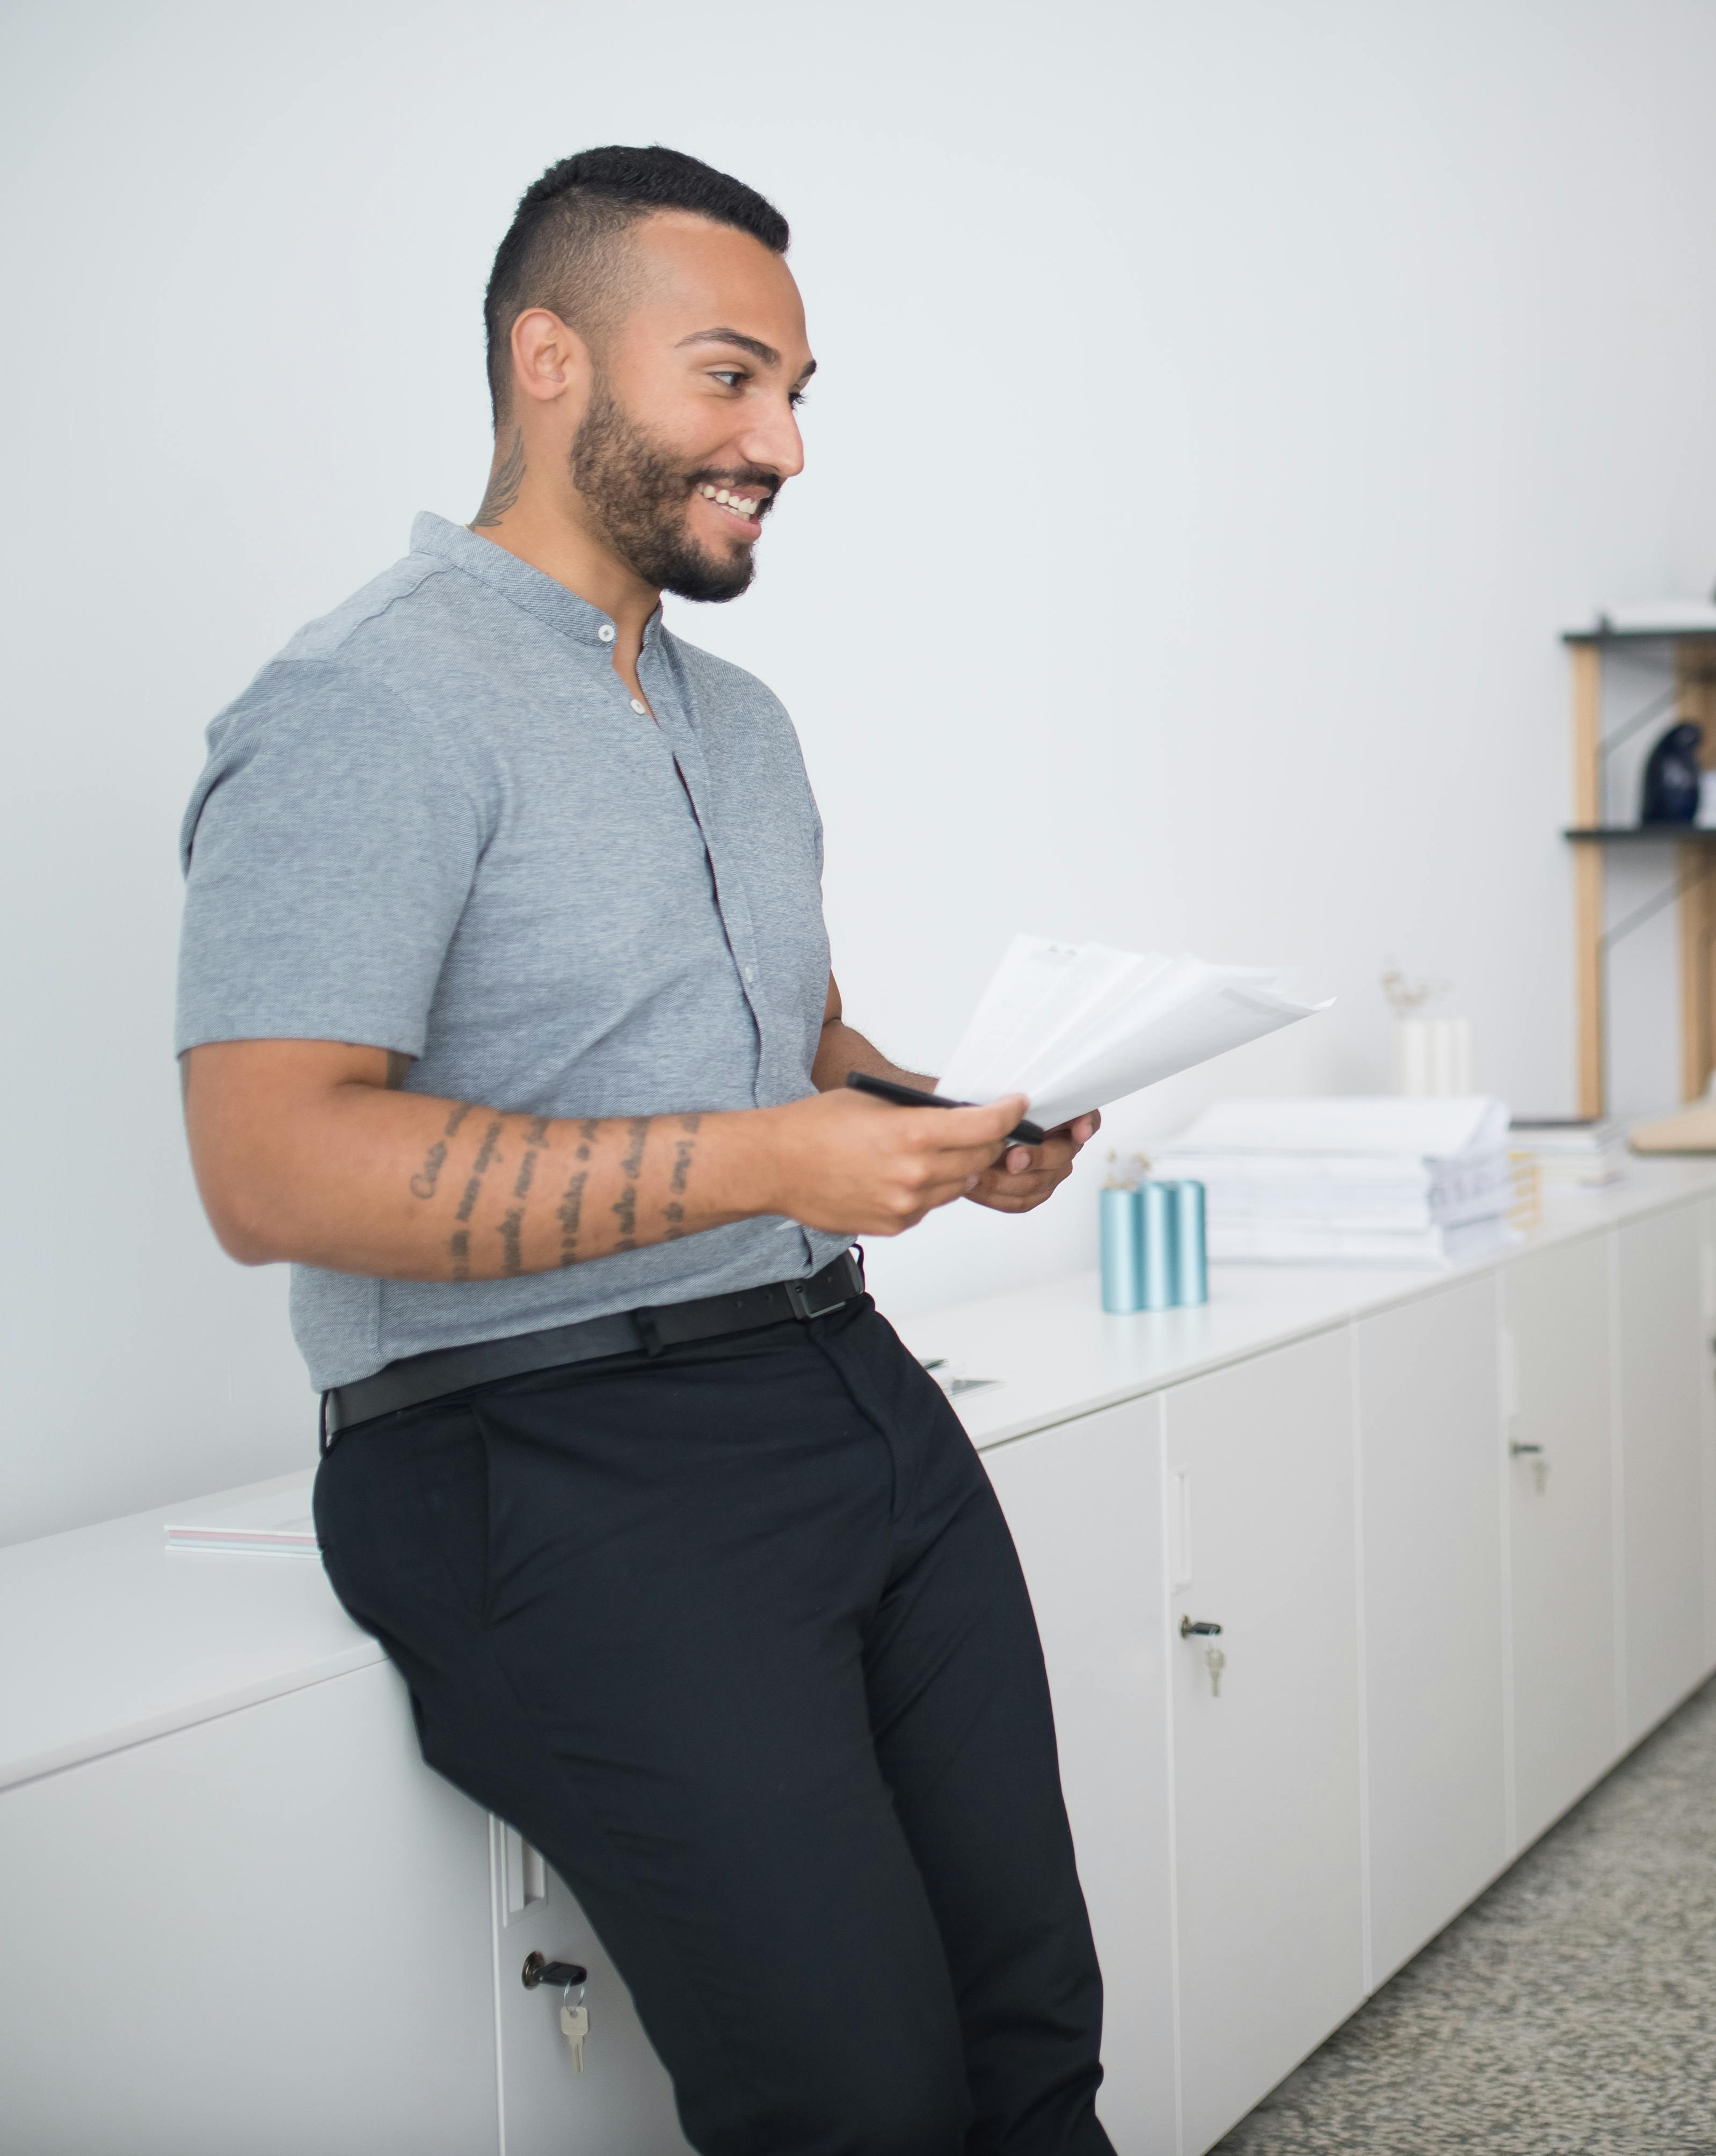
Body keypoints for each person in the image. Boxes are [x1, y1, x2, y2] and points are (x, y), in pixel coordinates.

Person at [177, 148, 1116, 2156]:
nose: (779, 442)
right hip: (545, 1465)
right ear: (547, 360)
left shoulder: (741, 719)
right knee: (857, 2104)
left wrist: (932, 1122)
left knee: (1027, 2032)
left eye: (794, 392)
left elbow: (789, 1053)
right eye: (727, 380)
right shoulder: (366, 704)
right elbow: (270, 1170)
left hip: (842, 1396)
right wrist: (769, 1158)